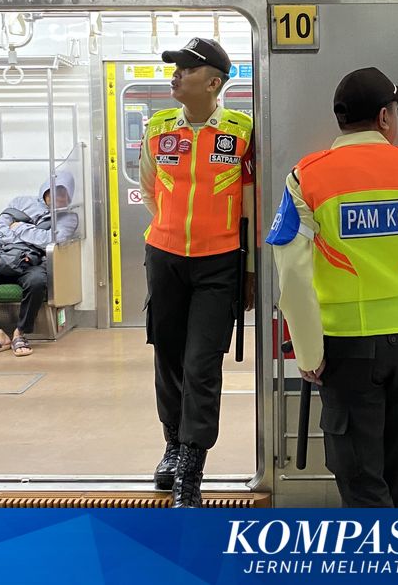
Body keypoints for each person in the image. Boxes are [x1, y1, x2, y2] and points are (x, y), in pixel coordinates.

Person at [268, 67, 398, 508]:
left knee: (361, 479)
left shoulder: (306, 177)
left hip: (345, 352)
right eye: (397, 110)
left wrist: (308, 352)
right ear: (384, 117)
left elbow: (293, 274)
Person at [139, 38, 256, 507]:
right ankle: (171, 442)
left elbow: (251, 202)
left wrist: (247, 269)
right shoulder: (158, 127)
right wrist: (166, 231)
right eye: (174, 69)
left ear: (214, 82)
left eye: (185, 70)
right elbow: (150, 188)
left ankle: (191, 464)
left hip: (220, 261)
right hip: (165, 256)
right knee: (167, 357)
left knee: (202, 364)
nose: (175, 76)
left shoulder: (243, 132)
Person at [0, 171, 78, 358]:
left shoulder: (69, 218)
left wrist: (20, 227)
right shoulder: (21, 202)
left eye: (63, 194)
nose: (58, 197)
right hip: (1, 258)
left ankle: (21, 332)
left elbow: (48, 240)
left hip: (31, 263)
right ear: (45, 190)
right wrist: (26, 234)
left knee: (37, 282)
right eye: (54, 192)